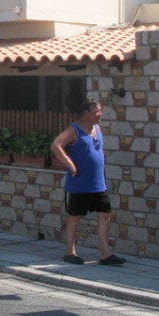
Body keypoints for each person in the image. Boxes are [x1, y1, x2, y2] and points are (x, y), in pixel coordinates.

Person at [50, 98, 126, 266]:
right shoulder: (74, 130)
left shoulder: (97, 129)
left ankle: (105, 254)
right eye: (97, 111)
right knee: (75, 217)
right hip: (79, 184)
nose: (100, 114)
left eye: (100, 110)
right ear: (86, 114)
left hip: (98, 184)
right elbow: (56, 145)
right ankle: (70, 252)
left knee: (105, 214)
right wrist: (70, 164)